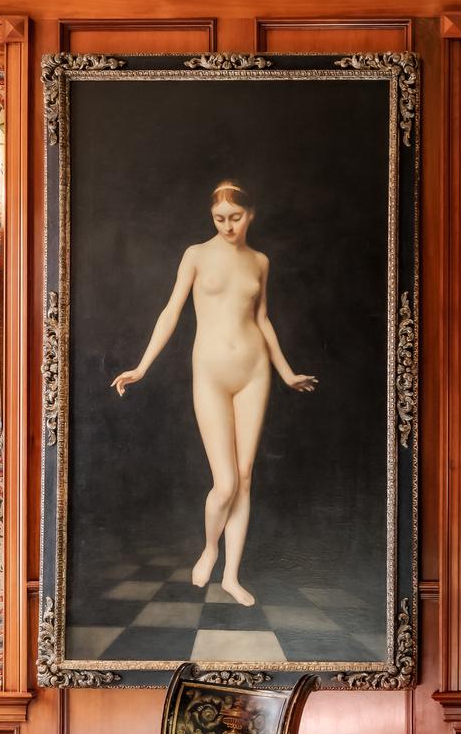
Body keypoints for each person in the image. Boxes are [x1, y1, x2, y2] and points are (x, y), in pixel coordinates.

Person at [112, 181, 316, 606]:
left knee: (243, 478)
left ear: (251, 214)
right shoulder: (196, 255)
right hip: (210, 373)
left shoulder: (260, 261)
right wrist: (142, 366)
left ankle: (232, 576)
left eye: (235, 218)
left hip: (254, 371)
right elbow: (171, 310)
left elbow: (262, 319)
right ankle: (210, 547)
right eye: (219, 218)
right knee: (223, 483)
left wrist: (286, 372)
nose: (227, 226)